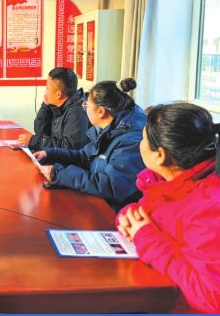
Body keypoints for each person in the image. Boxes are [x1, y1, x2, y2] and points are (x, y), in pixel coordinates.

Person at [116, 103, 220, 313]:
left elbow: (213, 297)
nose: (139, 143)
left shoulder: (209, 209)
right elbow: (155, 215)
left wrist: (146, 239)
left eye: (143, 138)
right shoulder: (171, 180)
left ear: (160, 155)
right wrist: (129, 216)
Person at [34, 78, 146, 211]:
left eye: (87, 105)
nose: (85, 109)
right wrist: (50, 154)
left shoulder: (130, 141)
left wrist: (60, 174)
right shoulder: (108, 128)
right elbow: (84, 157)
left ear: (101, 112)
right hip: (98, 202)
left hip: (116, 213)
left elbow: (111, 186)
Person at [18, 67, 90, 151]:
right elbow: (41, 132)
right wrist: (45, 106)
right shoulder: (57, 105)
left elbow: (70, 148)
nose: (46, 92)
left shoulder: (77, 112)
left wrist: (34, 141)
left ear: (58, 94)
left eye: (47, 88)